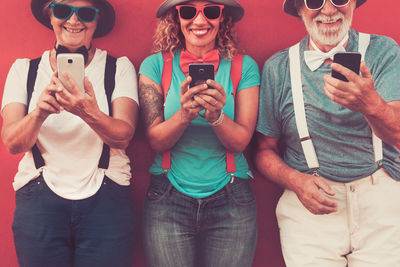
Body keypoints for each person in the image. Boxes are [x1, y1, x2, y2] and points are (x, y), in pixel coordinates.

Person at [255, 0, 400, 266]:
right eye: (314, 1)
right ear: (299, 9)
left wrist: (372, 105)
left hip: (381, 202)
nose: (329, 10)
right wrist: (295, 180)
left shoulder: (383, 51)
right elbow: (263, 150)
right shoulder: (279, 68)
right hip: (310, 207)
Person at [1, 0, 138, 266]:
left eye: (86, 13)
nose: (74, 20)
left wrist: (88, 112)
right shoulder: (24, 70)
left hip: (107, 199)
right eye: (63, 10)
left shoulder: (118, 67)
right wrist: (39, 112)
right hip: (39, 202)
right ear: (49, 15)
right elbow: (13, 143)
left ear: (97, 21)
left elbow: (124, 135)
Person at [138, 0, 259, 266]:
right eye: (189, 11)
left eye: (211, 10)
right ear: (177, 17)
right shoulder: (154, 66)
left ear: (222, 18)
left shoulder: (243, 66)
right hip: (167, 198)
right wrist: (184, 115)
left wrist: (216, 117)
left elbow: (240, 141)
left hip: (231, 198)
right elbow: (156, 140)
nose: (200, 20)